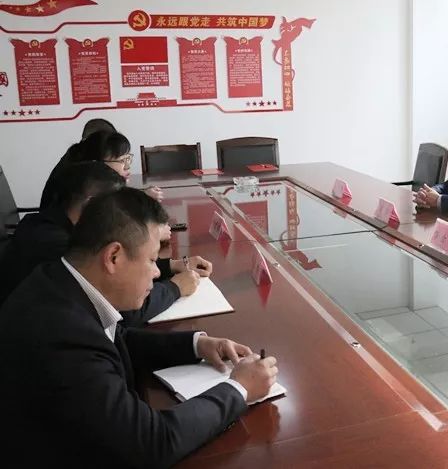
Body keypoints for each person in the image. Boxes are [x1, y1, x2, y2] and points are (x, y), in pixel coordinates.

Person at [0, 188, 278, 467]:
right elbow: (151, 443)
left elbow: (115, 339)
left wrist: (197, 345)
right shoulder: (62, 334)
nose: (157, 272)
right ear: (114, 257)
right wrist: (239, 388)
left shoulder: (57, 281)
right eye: (152, 260)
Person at [0, 162, 205, 324]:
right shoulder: (56, 245)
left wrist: (170, 265)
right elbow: (126, 311)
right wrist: (175, 287)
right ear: (92, 205)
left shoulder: (48, 224)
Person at [40, 130, 163, 208]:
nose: (127, 166)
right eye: (122, 160)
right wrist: (141, 199)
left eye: (128, 159)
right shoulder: (81, 188)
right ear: (97, 163)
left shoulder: (86, 178)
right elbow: (112, 214)